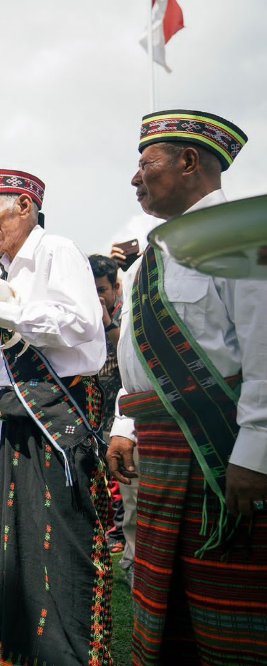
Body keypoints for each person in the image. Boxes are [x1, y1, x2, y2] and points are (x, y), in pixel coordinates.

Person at [106, 110, 266, 665]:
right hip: (159, 451)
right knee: (162, 605)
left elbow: (263, 350)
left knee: (231, 611)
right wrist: (124, 425)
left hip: (221, 452)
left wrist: (256, 449)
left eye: (145, 164)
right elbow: (135, 356)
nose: (135, 178)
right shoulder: (147, 257)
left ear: (189, 162)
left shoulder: (244, 234)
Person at [0, 169, 111, 665]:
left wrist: (1, 315)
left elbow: (82, 322)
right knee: (22, 542)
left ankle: (70, 654)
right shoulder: (6, 274)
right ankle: (32, 651)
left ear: (23, 205)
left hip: (59, 413)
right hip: (22, 414)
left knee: (62, 542)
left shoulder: (56, 252)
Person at [89, 254, 130, 559]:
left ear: (116, 286)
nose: (97, 296)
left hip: (123, 416)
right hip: (94, 413)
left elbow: (126, 352)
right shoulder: (84, 317)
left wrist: (106, 322)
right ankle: (107, 530)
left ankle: (120, 533)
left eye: (101, 290)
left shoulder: (128, 313)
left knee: (120, 479)